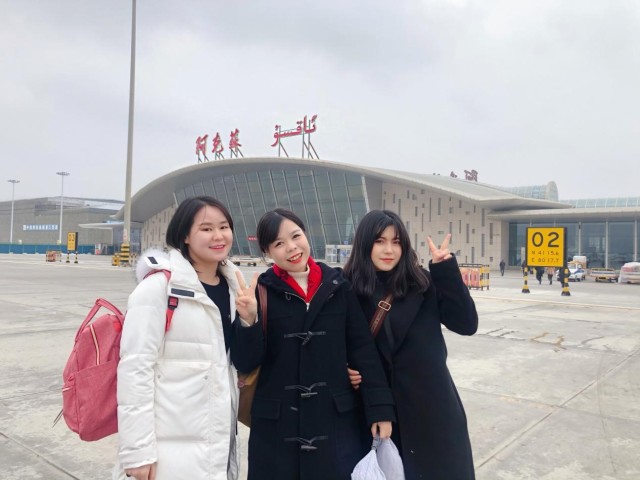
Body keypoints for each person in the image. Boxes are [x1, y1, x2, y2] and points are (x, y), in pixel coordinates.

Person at [231, 208, 395, 480]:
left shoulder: (338, 285)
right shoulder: (261, 291)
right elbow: (245, 362)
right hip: (277, 427)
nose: (291, 247)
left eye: (296, 236)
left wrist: (380, 409)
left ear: (306, 235)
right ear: (267, 252)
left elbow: (363, 350)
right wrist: (248, 320)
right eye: (279, 243)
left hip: (335, 420)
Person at [113, 196, 244, 480]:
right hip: (168, 449)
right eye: (206, 228)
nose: (218, 236)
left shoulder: (235, 288)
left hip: (216, 439)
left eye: (224, 227)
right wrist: (138, 452)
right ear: (184, 235)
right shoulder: (158, 288)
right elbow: (135, 369)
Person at [343, 210, 478, 480]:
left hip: (432, 410)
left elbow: (466, 324)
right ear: (365, 243)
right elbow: (335, 342)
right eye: (380, 241)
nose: (389, 250)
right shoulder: (348, 290)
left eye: (396, 242)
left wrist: (445, 271)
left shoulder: (421, 283)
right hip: (378, 412)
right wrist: (342, 368)